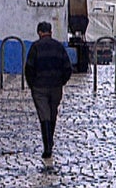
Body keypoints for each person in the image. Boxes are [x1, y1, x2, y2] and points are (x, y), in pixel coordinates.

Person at [25, 21, 72, 168]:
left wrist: (32, 84)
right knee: (52, 114)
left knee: (44, 115)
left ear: (39, 32)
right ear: (50, 31)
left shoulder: (35, 47)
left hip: (39, 87)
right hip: (55, 86)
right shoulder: (59, 47)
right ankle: (49, 141)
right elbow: (68, 68)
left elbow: (29, 68)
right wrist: (61, 81)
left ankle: (47, 147)